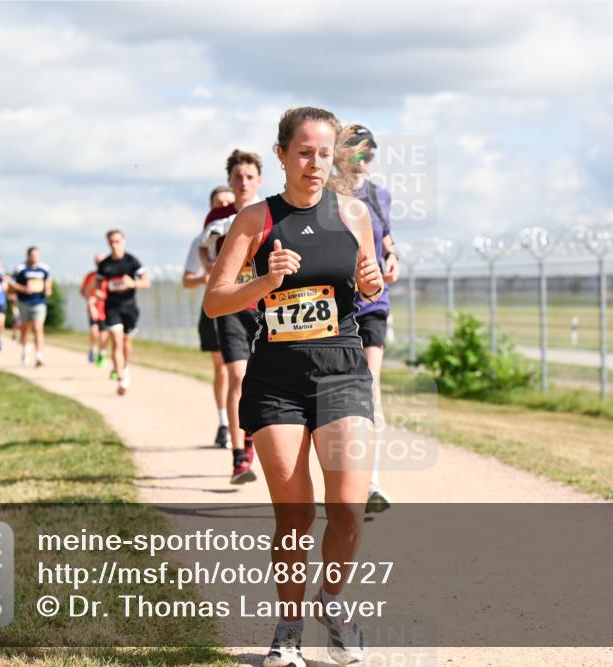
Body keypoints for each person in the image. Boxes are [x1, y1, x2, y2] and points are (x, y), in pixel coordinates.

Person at [204, 106, 384, 667]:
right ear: (281, 154)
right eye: (303, 152)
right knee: (297, 514)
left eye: (324, 153)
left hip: (342, 371)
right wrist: (266, 280)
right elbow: (216, 300)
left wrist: (371, 278)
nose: (314, 163)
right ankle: (287, 631)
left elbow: (369, 280)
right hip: (277, 378)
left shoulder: (354, 214)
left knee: (349, 509)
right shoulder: (255, 220)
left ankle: (333, 603)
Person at [345, 125, 402, 513]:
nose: (363, 160)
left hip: (372, 304)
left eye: (369, 153)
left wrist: (393, 257)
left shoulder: (379, 196)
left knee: (369, 386)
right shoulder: (326, 196)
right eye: (355, 152)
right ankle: (343, 479)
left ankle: (371, 483)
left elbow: (386, 240)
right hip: (333, 305)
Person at [200, 150, 264, 482]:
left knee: (257, 377)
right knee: (237, 376)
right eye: (237, 177)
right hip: (230, 308)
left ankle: (250, 433)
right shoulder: (218, 217)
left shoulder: (269, 214)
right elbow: (203, 246)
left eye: (249, 177)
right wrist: (212, 267)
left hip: (262, 308)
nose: (243, 182)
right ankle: (240, 458)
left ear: (259, 181)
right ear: (229, 180)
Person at [183, 185, 236, 447]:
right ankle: (224, 422)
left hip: (244, 306)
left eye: (229, 202)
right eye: (219, 203)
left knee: (242, 369)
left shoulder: (244, 229)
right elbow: (187, 281)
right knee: (223, 368)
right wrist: (203, 277)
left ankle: (244, 426)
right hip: (215, 308)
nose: (224, 206)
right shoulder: (201, 241)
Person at [91, 230, 150, 395]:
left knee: (126, 342)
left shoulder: (132, 262)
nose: (114, 245)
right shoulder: (105, 264)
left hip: (130, 307)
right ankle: (121, 379)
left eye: (117, 241)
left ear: (123, 241)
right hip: (112, 307)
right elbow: (98, 284)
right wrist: (98, 293)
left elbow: (146, 282)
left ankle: (125, 367)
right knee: (116, 341)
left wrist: (133, 284)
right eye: (111, 242)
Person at [10, 247, 52, 367]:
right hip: (24, 302)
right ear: (28, 256)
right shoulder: (21, 268)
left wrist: (48, 289)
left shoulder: (44, 268)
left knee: (38, 328)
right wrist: (23, 289)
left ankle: (39, 355)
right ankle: (25, 350)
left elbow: (48, 280)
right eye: (33, 255)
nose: (35, 257)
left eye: (37, 255)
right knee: (25, 329)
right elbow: (12, 283)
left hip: (39, 302)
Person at [81, 254, 109, 367]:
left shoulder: (109, 276)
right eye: (97, 261)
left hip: (107, 309)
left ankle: (102, 354)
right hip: (94, 308)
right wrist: (90, 302)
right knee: (94, 331)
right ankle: (92, 348)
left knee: (104, 334)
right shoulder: (91, 276)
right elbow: (84, 291)